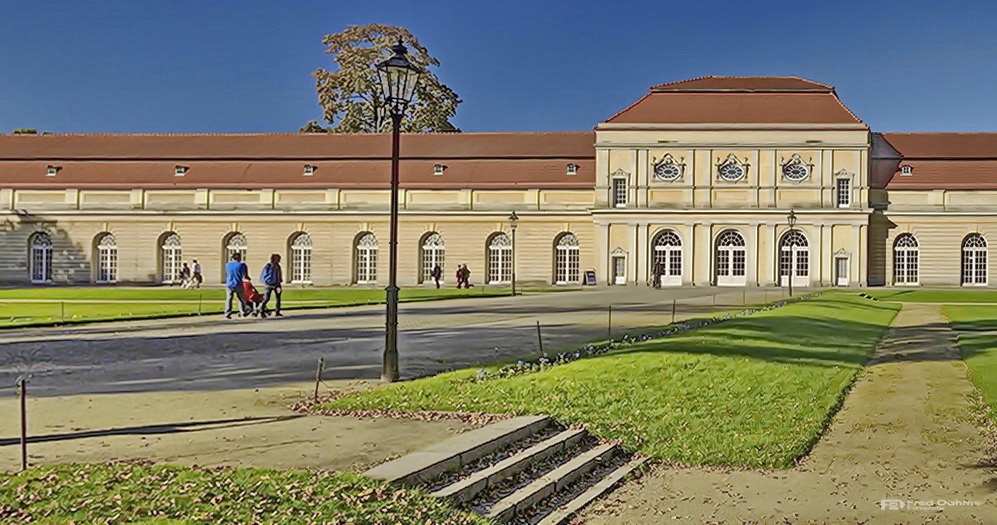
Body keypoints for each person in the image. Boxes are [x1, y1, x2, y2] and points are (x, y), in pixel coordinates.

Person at [224, 252, 251, 319]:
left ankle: (228, 312)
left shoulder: (227, 265)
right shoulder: (242, 265)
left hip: (229, 283)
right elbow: (245, 276)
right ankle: (242, 312)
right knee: (241, 298)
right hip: (238, 283)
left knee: (229, 298)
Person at [260, 253, 283, 318]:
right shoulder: (275, 266)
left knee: (267, 298)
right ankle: (276, 311)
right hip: (274, 284)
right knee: (276, 298)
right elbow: (278, 276)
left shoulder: (269, 265)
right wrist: (279, 283)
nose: (279, 260)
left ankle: (262, 310)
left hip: (269, 284)